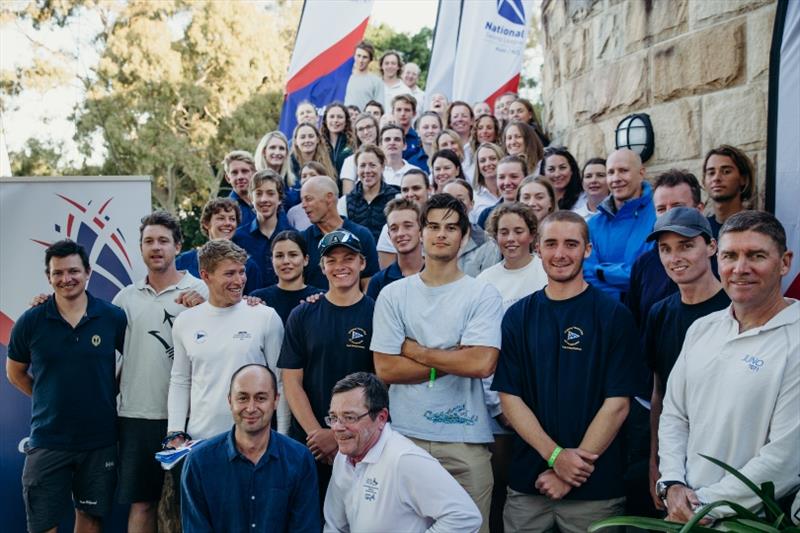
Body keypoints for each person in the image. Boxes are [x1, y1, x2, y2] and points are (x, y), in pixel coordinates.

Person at [492, 211, 644, 533]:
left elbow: (617, 404)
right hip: (528, 486)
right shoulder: (517, 317)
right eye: (551, 244)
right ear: (537, 249)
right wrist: (556, 457)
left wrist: (570, 469)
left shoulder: (615, 317)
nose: (560, 254)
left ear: (587, 250)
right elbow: (510, 398)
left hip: (596, 491)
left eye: (571, 244)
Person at [372, 193, 504, 532]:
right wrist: (453, 355)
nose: (440, 234)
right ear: (420, 232)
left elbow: (481, 363)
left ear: (462, 237)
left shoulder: (482, 294)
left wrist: (418, 352)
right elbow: (386, 369)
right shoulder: (393, 295)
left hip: (465, 438)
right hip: (404, 437)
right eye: (432, 226)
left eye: (450, 227)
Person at [657, 211, 798, 522]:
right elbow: (674, 414)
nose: (740, 268)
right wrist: (671, 482)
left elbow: (785, 460)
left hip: (753, 523)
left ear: (785, 262)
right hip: (686, 513)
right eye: (730, 255)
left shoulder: (796, 339)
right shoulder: (702, 329)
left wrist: (702, 505)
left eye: (756, 255)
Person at [7, 240, 126, 533]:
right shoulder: (31, 321)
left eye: (73, 271)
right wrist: (47, 398)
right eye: (57, 273)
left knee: (89, 520)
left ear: (88, 273)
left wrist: (106, 396)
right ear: (49, 277)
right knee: (43, 524)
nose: (66, 279)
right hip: (49, 439)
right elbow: (15, 373)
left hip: (99, 440)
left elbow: (131, 366)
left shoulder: (112, 317)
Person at [111, 212, 207, 533]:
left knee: (189, 503)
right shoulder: (125, 298)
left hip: (192, 417)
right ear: (140, 248)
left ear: (178, 245)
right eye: (148, 241)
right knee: (143, 504)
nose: (156, 247)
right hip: (136, 416)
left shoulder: (202, 292)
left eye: (163, 240)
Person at [278, 230, 377, 508]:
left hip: (362, 443)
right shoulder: (302, 315)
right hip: (311, 444)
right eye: (331, 260)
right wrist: (318, 434)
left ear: (362, 263)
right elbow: (291, 382)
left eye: (348, 258)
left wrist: (340, 435)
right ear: (321, 267)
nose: (340, 266)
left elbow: (382, 382)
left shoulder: (377, 314)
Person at [643, 207, 730, 511]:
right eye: (665, 249)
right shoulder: (659, 313)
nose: (674, 257)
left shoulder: (735, 309)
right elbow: (659, 393)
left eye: (685, 246)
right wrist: (656, 464)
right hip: (675, 460)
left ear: (711, 246)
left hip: (726, 457)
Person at [323, 372, 482, 533]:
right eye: (333, 417)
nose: (337, 427)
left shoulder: (405, 459)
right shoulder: (343, 457)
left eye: (349, 417)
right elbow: (335, 526)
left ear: (381, 418)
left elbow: (465, 517)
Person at [167, 239, 287, 446]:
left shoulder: (265, 316)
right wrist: (176, 432)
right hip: (200, 440)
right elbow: (180, 380)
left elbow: (281, 381)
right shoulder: (185, 322)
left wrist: (283, 435)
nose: (239, 280)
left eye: (242, 272)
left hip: (256, 440)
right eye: (230, 273)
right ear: (205, 276)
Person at [181, 364, 320, 532]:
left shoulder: (299, 459)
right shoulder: (199, 462)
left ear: (275, 401)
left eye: (261, 398)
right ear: (230, 401)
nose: (251, 408)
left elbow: (305, 528)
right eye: (243, 398)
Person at [479, 202, 548, 532]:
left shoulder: (546, 271)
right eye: (503, 232)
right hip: (499, 402)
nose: (511, 238)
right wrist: (498, 407)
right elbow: (480, 347)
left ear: (533, 234)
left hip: (542, 397)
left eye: (518, 231)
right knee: (502, 488)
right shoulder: (484, 281)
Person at [583, 148, 656, 300]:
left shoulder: (658, 215)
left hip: (650, 313)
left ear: (641, 173)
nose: (616, 178)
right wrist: (622, 295)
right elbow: (586, 274)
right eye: (610, 172)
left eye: (623, 170)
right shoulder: (593, 225)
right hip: (606, 314)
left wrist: (602, 271)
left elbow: (650, 275)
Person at [301, 175, 380, 290]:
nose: (303, 205)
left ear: (329, 198)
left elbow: (369, 283)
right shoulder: (303, 239)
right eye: (302, 200)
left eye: (308, 199)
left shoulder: (362, 235)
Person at [176, 197, 263, 294]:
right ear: (206, 224)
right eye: (221, 218)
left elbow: (254, 303)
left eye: (232, 219)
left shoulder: (248, 265)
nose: (228, 223)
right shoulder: (184, 261)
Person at [232, 170, 295, 287]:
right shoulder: (238, 238)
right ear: (251, 198)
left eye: (270, 193)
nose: (264, 199)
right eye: (259, 193)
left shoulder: (295, 237)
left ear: (280, 198)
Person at [250, 230, 323, 324]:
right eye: (279, 256)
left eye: (293, 255)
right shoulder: (258, 299)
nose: (286, 261)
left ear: (306, 260)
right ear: (272, 260)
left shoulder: (318, 298)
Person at [337, 144, 400, 242]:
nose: (367, 170)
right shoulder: (344, 202)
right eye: (362, 165)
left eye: (372, 165)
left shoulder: (397, 198)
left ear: (382, 166)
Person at [441, 179, 502, 277]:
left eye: (460, 200)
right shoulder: (430, 239)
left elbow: (489, 285)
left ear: (471, 204)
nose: (453, 204)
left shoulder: (487, 244)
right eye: (447, 199)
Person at [367, 198, 424, 300]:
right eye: (394, 229)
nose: (400, 233)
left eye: (407, 226)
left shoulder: (438, 274)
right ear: (389, 235)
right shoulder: (379, 282)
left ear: (421, 231)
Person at [376, 168, 433, 268]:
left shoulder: (438, 224)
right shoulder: (389, 228)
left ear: (429, 190)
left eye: (416, 188)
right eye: (405, 190)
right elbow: (386, 272)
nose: (410, 194)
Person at [702, 144, 755, 239]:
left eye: (726, 171)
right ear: (704, 181)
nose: (716, 178)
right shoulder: (701, 230)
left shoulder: (760, 228)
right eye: (711, 173)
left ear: (743, 179)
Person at [254, 130, 300, 212]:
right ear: (264, 151)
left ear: (286, 153)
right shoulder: (253, 181)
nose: (277, 152)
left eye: (281, 148)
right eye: (272, 147)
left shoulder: (294, 184)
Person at [478, 155, 528, 228]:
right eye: (501, 177)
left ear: (525, 178)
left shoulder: (534, 210)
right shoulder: (486, 215)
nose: (507, 182)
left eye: (514, 176)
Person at [339, 113, 380, 193]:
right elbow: (348, 195)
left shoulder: (386, 157)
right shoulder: (350, 161)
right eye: (361, 129)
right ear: (356, 133)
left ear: (376, 128)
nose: (365, 132)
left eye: (369, 127)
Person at [539, 146, 586, 211]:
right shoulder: (538, 200)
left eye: (562, 168)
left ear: (572, 170)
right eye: (551, 169)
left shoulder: (584, 199)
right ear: (543, 173)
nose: (557, 174)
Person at [344, 40, 384, 110]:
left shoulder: (376, 81)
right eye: (358, 56)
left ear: (370, 59)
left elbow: (380, 106)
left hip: (365, 119)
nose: (361, 60)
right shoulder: (346, 78)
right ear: (354, 56)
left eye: (365, 57)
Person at [287, 161, 327, 230]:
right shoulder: (293, 212)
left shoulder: (333, 204)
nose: (307, 179)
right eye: (304, 176)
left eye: (313, 175)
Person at [392, 94, 427, 170]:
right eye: (399, 110)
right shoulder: (385, 139)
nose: (403, 114)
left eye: (407, 110)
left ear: (414, 113)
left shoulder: (419, 140)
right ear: (392, 113)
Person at [222, 150, 257, 228]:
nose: (240, 177)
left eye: (244, 171)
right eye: (234, 172)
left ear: (254, 173)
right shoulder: (225, 209)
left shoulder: (267, 201)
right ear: (228, 178)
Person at [472, 142, 502, 221]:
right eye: (482, 160)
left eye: (492, 158)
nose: (488, 163)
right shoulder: (474, 196)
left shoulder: (511, 190)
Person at [446, 101, 476, 176]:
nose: (460, 119)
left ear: (472, 121)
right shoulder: (445, 146)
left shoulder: (478, 146)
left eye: (464, 116)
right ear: (450, 122)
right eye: (455, 116)